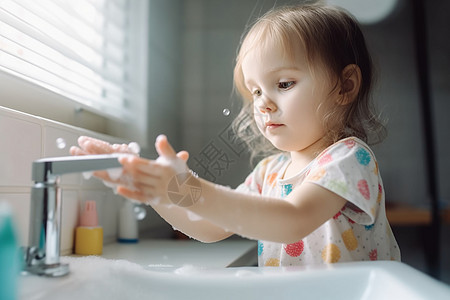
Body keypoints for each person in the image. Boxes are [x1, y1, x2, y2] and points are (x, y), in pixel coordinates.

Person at [71, 3, 400, 267]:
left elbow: (292, 221)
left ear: (345, 86)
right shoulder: (268, 173)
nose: (264, 104)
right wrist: (157, 190)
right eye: (255, 91)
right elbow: (207, 227)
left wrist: (190, 187)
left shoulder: (348, 158)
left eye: (283, 84)